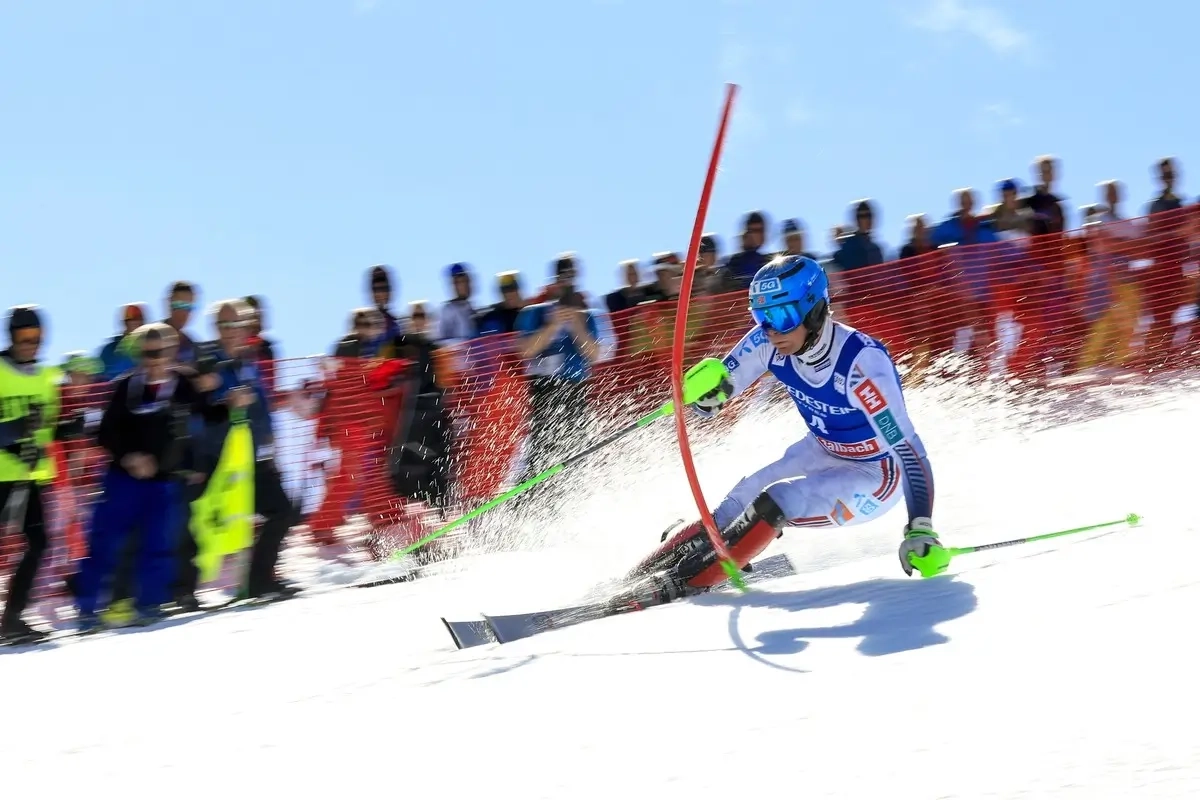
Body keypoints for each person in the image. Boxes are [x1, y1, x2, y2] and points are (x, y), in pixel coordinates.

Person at [627, 255, 946, 595]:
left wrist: (920, 527)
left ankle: (688, 582)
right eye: (761, 317)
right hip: (823, 449)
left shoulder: (861, 366)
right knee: (737, 501)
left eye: (781, 316)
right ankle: (643, 573)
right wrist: (706, 396)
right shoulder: (767, 341)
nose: (771, 330)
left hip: (876, 473)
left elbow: (909, 452)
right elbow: (722, 388)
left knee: (779, 500)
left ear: (814, 309)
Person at [72, 324, 238, 631]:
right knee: (105, 543)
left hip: (164, 482)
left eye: (159, 352)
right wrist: (129, 457)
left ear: (172, 352)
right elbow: (105, 432)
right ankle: (86, 610)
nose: (153, 359)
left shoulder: (184, 382)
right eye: (147, 353)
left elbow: (206, 413)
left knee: (158, 545)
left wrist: (228, 404)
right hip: (123, 479)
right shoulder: (125, 386)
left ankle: (149, 605)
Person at [0, 306, 73, 643]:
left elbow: (48, 429)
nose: (30, 343)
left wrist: (66, 430)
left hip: (30, 476)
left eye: (36, 337)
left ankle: (13, 619)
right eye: (23, 337)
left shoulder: (46, 378)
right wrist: (13, 435)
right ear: (11, 336)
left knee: (39, 543)